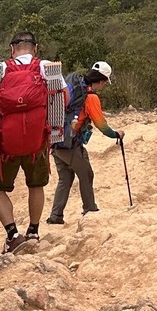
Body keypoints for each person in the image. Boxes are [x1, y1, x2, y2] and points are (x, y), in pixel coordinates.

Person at [0, 31, 62, 253]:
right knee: (36, 185)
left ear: (12, 50)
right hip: (37, 141)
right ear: (35, 49)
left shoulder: (0, 69)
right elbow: (61, 96)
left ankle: (12, 235)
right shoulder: (47, 67)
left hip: (6, 145)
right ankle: (34, 232)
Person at [46, 61, 124, 225]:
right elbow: (101, 125)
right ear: (101, 81)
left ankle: (56, 216)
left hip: (56, 140)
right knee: (87, 174)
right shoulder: (91, 97)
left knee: (65, 178)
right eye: (105, 83)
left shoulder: (75, 87)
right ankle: (90, 209)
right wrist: (116, 134)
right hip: (70, 145)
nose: (104, 87)